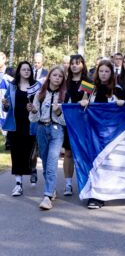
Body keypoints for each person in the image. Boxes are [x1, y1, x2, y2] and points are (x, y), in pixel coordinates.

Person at [80, 59, 125, 209]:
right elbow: (83, 106)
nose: (104, 74)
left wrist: (121, 103)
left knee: (106, 162)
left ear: (111, 73)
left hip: (110, 132)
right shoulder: (91, 89)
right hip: (93, 131)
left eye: (107, 71)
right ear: (97, 73)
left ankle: (102, 194)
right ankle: (93, 193)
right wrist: (84, 102)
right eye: (101, 71)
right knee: (93, 162)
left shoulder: (117, 89)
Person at [28, 66, 67, 210]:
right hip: (41, 129)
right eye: (54, 75)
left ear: (63, 79)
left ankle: (47, 196)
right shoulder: (40, 93)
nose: (57, 78)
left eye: (60, 76)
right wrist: (33, 110)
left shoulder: (64, 95)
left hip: (57, 131)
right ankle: (52, 189)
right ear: (49, 76)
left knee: (51, 161)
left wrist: (58, 112)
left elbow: (65, 121)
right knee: (45, 162)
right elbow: (33, 118)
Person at [2, 61, 39, 197]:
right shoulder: (12, 86)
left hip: (31, 124)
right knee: (16, 153)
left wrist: (34, 109)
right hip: (15, 124)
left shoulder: (36, 86)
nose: (26, 72)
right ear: (19, 72)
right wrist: (5, 105)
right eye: (23, 69)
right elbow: (6, 106)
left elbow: (41, 104)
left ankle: (32, 168)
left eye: (28, 69)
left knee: (30, 153)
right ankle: (18, 184)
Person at [62, 54, 91, 197]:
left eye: (77, 63)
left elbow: (86, 100)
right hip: (67, 122)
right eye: (72, 63)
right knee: (68, 153)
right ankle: (68, 184)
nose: (74, 65)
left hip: (83, 123)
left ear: (82, 65)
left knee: (83, 153)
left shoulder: (87, 81)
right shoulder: (65, 81)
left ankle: (85, 183)